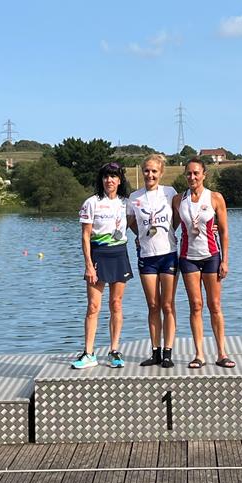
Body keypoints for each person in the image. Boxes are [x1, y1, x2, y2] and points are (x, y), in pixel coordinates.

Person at [173, 157, 234, 369]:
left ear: (204, 175)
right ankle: (199, 354)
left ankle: (221, 353)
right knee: (195, 306)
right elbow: (169, 227)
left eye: (196, 173)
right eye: (188, 173)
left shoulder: (215, 198)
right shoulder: (178, 200)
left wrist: (225, 260)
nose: (192, 177)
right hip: (188, 258)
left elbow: (224, 231)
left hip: (212, 256)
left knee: (214, 305)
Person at [73, 162, 133, 369]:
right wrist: (88, 265)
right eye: (106, 176)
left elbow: (138, 225)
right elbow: (85, 235)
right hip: (98, 256)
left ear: (119, 180)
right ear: (102, 180)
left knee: (116, 304)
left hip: (120, 255)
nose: (109, 180)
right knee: (93, 307)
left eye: (114, 176)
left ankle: (114, 351)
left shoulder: (127, 203)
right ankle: (88, 353)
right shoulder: (91, 202)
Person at [127, 154, 178, 368]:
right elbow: (130, 222)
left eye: (154, 171)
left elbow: (179, 216)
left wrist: (171, 232)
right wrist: (139, 236)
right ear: (142, 172)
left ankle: (168, 352)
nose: (150, 175)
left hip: (168, 254)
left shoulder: (170, 193)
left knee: (167, 305)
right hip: (147, 257)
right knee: (153, 305)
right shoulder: (134, 197)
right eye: (146, 171)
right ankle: (155, 352)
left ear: (161, 173)